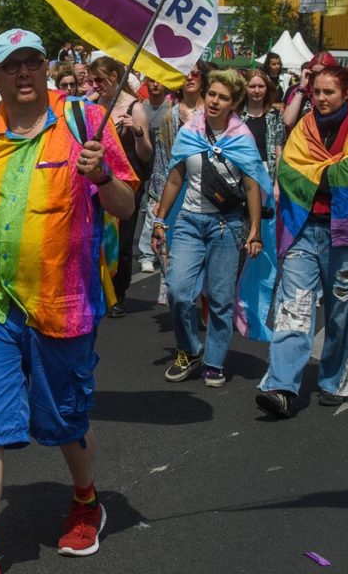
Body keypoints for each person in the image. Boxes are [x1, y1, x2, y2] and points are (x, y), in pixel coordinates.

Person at [0, 28, 137, 574]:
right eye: (11, 65)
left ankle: (85, 500)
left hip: (63, 304)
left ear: (45, 68)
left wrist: (101, 176)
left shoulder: (85, 121)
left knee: (65, 421)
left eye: (32, 62)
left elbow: (123, 204)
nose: (24, 73)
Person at [257, 64, 348, 416]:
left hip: (346, 233)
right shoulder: (303, 128)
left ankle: (333, 379)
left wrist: (314, 172)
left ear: (346, 94)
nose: (321, 99)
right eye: (316, 92)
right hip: (304, 229)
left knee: (341, 311)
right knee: (293, 309)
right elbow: (288, 172)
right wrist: (326, 172)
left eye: (329, 93)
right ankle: (281, 386)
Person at [153, 68, 269, 387]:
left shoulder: (242, 137)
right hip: (189, 221)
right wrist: (160, 219)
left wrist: (255, 229)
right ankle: (190, 350)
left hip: (226, 226)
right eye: (212, 94)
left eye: (224, 97)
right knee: (178, 291)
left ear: (235, 103)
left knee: (220, 299)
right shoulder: (189, 130)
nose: (215, 101)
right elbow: (176, 177)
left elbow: (252, 186)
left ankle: (214, 360)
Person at [87, 56, 151, 316]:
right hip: (97, 182)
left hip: (125, 183)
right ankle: (99, 289)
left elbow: (146, 154)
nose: (95, 85)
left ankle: (118, 292)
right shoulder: (92, 105)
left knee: (123, 242)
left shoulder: (135, 108)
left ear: (114, 77)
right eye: (92, 81)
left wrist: (137, 131)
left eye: (99, 80)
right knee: (97, 238)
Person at [135, 77, 178, 275]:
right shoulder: (141, 107)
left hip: (164, 163)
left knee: (156, 209)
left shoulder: (171, 107)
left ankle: (154, 253)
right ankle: (147, 254)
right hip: (145, 163)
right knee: (146, 209)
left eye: (159, 81)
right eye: (151, 81)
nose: (155, 85)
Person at [240, 69, 286, 177]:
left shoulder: (275, 115)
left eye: (261, 86)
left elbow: (279, 153)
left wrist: (277, 185)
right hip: (241, 172)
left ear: (267, 88)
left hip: (267, 173)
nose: (257, 90)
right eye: (252, 86)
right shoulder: (237, 114)